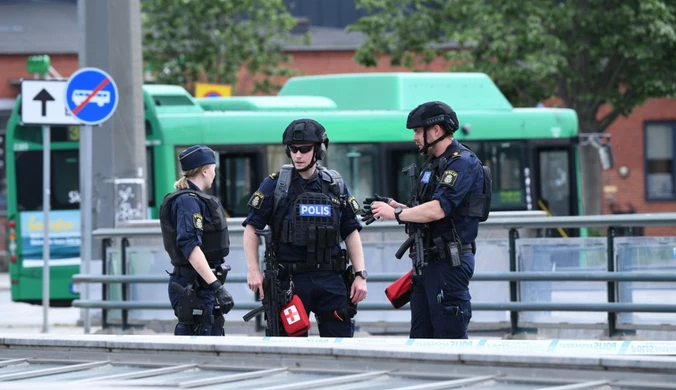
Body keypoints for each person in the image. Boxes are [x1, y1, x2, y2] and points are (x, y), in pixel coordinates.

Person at [365, 101, 489, 339]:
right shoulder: (433, 164)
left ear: (436, 130)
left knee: (449, 338)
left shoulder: (461, 162)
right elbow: (422, 209)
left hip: (448, 263)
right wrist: (395, 206)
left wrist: (397, 214)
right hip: (427, 263)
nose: (414, 137)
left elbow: (439, 209)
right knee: (420, 338)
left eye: (418, 131)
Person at [243, 118, 368, 337]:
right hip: (290, 281)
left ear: (319, 150)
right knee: (290, 347)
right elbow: (251, 228)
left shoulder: (335, 185)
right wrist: (253, 270)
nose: (298, 155)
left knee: (341, 344)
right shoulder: (275, 185)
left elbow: (351, 230)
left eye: (305, 149)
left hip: (331, 279)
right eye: (293, 149)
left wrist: (360, 274)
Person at [159, 145, 234, 336]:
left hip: (201, 285)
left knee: (211, 332)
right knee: (200, 337)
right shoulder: (187, 202)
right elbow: (190, 246)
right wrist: (216, 286)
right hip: (193, 287)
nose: (215, 174)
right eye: (214, 170)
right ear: (205, 171)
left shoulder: (195, 199)